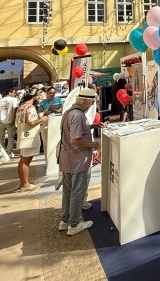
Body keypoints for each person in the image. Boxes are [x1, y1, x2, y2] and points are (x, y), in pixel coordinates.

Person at [58, 88, 102, 236]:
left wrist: (92, 126)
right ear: (84, 101)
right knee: (77, 190)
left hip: (67, 158)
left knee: (68, 191)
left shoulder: (70, 112)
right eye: (90, 103)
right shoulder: (77, 115)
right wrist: (93, 145)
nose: (91, 106)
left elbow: (75, 131)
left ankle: (65, 220)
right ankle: (75, 223)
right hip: (77, 160)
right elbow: (75, 140)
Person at [15, 90, 48, 191]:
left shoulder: (21, 107)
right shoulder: (30, 107)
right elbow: (31, 122)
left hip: (23, 136)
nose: (40, 97)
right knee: (26, 161)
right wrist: (42, 119)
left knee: (23, 160)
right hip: (29, 137)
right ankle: (25, 185)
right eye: (38, 95)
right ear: (33, 96)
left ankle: (24, 182)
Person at [0, 89, 19, 157]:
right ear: (9, 93)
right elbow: (15, 110)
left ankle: (3, 153)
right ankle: (9, 152)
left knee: (1, 138)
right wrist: (13, 120)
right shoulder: (14, 99)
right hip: (10, 121)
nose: (14, 94)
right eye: (13, 92)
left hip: (0, 121)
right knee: (10, 137)